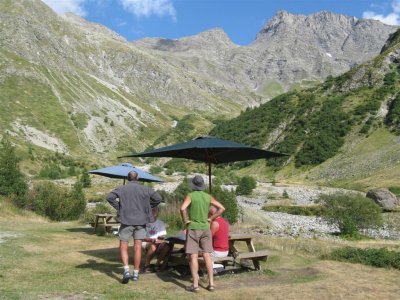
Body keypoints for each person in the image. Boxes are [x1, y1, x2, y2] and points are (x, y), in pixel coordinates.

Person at [107, 171, 163, 284]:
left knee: (123, 246)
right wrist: (147, 207)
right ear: (138, 178)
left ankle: (126, 270)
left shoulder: (122, 188)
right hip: (141, 222)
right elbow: (158, 198)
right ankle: (136, 273)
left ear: (128, 178)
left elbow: (110, 197)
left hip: (126, 221)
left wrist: (119, 208)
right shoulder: (146, 189)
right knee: (137, 247)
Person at [180, 175, 225, 293]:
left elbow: (182, 208)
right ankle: (211, 284)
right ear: (202, 185)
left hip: (194, 227)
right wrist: (211, 219)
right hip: (206, 228)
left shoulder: (191, 196)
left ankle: (195, 285)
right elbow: (221, 208)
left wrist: (185, 220)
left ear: (193, 185)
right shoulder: (208, 196)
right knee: (207, 256)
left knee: (193, 256)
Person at [142, 207, 170, 272]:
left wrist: (160, 240)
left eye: (155, 211)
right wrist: (150, 240)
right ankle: (147, 264)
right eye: (151, 210)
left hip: (157, 241)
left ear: (158, 213)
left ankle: (157, 264)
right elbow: (141, 236)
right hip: (146, 241)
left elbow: (162, 236)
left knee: (167, 247)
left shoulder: (160, 223)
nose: (153, 212)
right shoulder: (144, 223)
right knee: (153, 246)